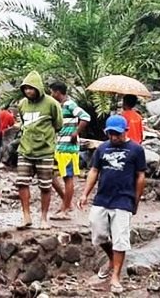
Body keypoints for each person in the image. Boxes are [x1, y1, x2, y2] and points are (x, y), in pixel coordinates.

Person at [77, 115, 146, 294]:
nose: (114, 137)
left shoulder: (136, 150)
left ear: (125, 131)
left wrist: (136, 200)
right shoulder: (102, 148)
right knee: (98, 232)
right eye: (110, 134)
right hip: (102, 198)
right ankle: (110, 259)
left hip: (123, 199)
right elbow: (94, 171)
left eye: (117, 134)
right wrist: (85, 194)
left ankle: (115, 276)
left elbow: (140, 176)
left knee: (120, 239)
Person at [17, 71, 63, 230]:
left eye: (31, 88)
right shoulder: (22, 104)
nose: (28, 91)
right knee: (22, 182)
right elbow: (23, 123)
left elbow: (58, 125)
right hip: (25, 149)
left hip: (45, 151)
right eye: (26, 88)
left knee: (45, 185)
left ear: (38, 88)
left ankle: (43, 217)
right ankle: (26, 216)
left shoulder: (51, 104)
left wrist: (44, 136)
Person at [50, 81, 91, 220]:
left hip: (68, 147)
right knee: (50, 175)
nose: (51, 94)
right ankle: (66, 203)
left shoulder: (70, 105)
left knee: (68, 177)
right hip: (59, 146)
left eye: (52, 92)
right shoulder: (59, 107)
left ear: (57, 92)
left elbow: (86, 117)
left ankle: (66, 209)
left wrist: (76, 132)